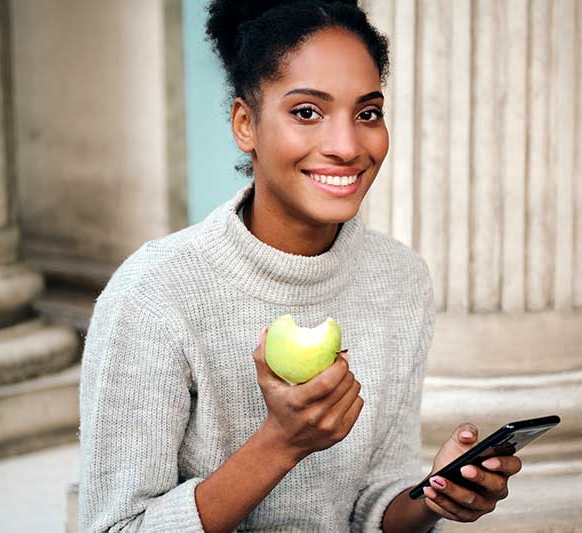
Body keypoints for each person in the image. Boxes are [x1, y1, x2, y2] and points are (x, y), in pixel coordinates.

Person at [77, 1, 522, 531]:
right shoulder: (154, 292)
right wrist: (281, 443)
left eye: (368, 113)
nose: (347, 146)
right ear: (246, 123)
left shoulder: (399, 280)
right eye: (307, 112)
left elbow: (371, 507)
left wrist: (432, 499)